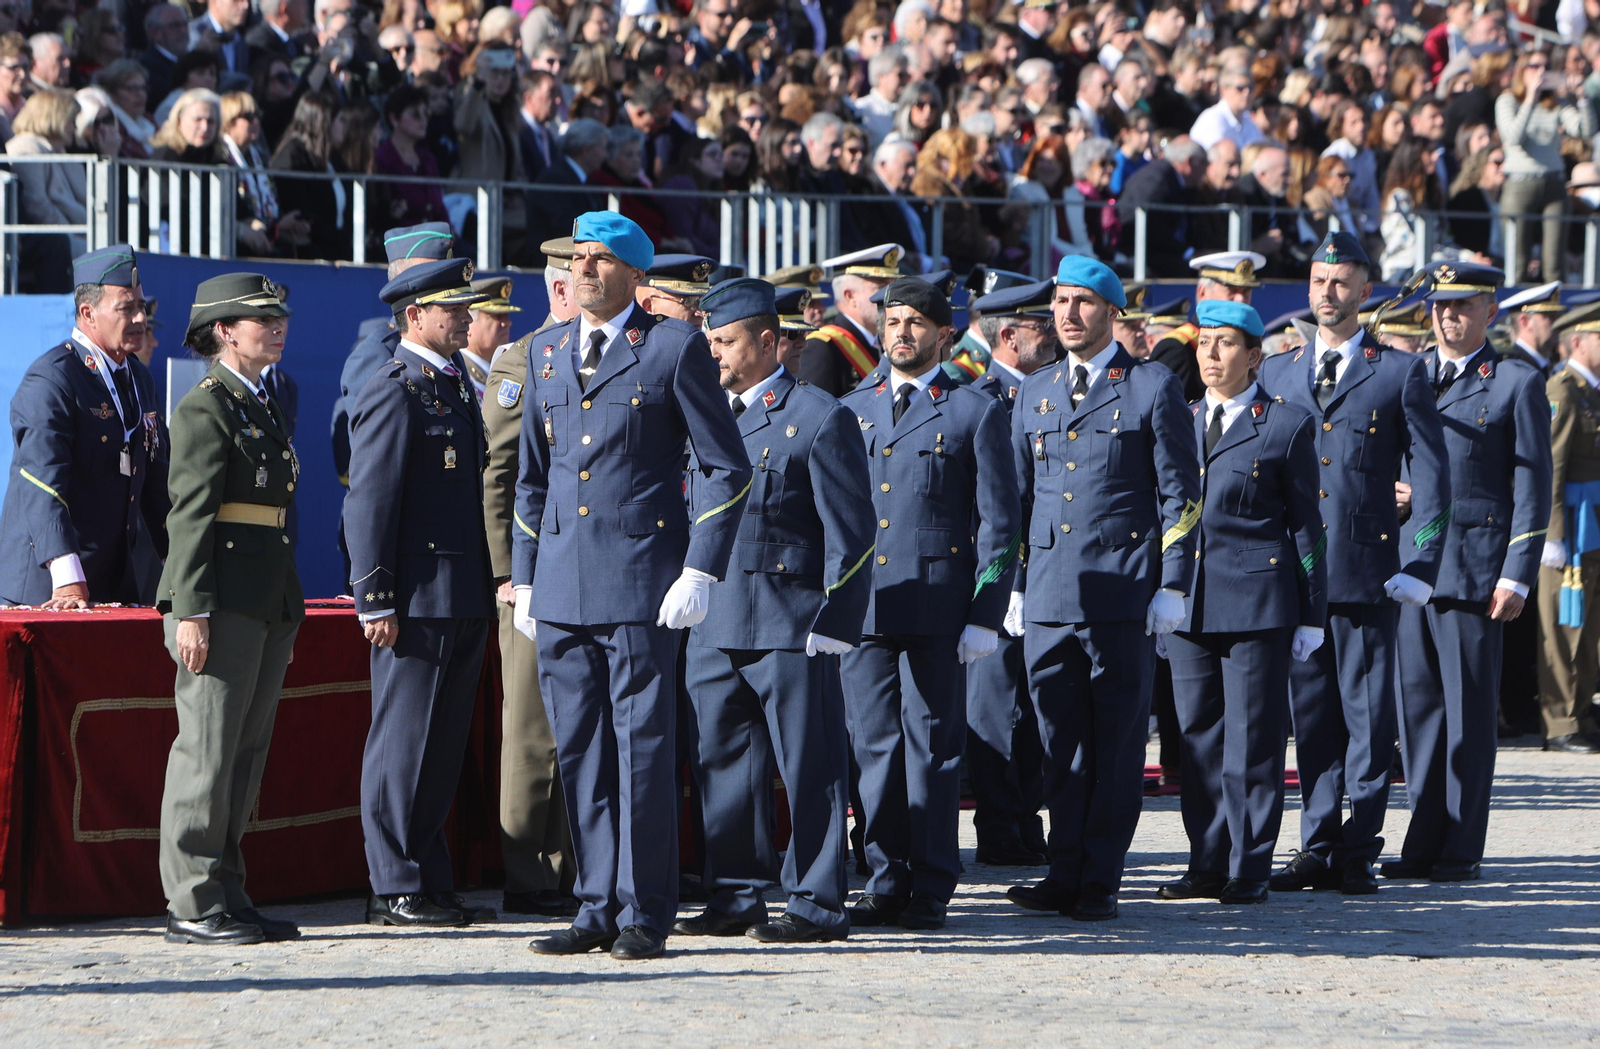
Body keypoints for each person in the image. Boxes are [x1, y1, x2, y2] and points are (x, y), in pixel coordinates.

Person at [511, 212, 751, 961]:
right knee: (578, 750)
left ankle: (646, 908)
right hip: (560, 587)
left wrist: (701, 565)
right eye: (578, 256)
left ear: (634, 276)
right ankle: (594, 901)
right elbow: (530, 480)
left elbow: (725, 464)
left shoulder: (674, 347)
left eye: (601, 259)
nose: (584, 269)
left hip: (644, 583)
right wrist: (523, 580)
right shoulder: (545, 350)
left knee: (642, 750)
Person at [671, 277, 875, 943]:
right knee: (722, 765)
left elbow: (853, 531)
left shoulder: (819, 416)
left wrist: (839, 622)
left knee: (810, 766)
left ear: (769, 341)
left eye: (726, 342)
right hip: (717, 619)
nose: (715, 354)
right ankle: (735, 892)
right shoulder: (706, 414)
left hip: (793, 623)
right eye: (709, 341)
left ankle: (818, 901)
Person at [1004, 255, 1201, 922]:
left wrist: (1174, 583)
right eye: (1061, 301)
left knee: (1116, 746)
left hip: (1122, 594)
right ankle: (1064, 868)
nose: (1068, 313)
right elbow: (1015, 501)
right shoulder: (1036, 391)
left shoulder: (1149, 387)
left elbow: (1181, 495)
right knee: (1058, 740)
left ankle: (1100, 877)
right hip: (1052, 596)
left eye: (1083, 301)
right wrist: (1009, 585)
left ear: (1112, 312)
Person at [1258, 235, 1452, 896]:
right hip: (1297, 577)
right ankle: (1316, 840)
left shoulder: (1398, 371)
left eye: (1340, 282)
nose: (1326, 293)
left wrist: (1422, 558)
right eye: (1317, 280)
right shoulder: (1279, 371)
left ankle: (1358, 845)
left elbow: (1432, 473)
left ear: (1365, 290)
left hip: (1368, 571)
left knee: (1369, 720)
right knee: (1309, 719)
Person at [835, 276, 1021, 931]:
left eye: (915, 322)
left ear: (943, 333)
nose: (901, 333)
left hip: (941, 611)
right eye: (893, 321)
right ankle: (885, 875)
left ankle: (931, 881)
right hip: (868, 609)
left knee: (934, 749)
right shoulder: (853, 407)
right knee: (873, 747)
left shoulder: (973, 410)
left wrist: (984, 612)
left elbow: (1000, 521)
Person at [1157, 299, 1326, 907]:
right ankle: (1207, 859)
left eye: (1225, 343)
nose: (1209, 353)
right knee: (1197, 738)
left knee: (1251, 741)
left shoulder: (1285, 423)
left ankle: (1249, 863)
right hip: (1190, 604)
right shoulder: (1180, 417)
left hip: (1258, 601)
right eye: (1204, 342)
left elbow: (1308, 526)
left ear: (1255, 356)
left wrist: (1312, 612)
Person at [345, 256, 496, 929]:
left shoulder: (454, 382)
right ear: (414, 316)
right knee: (404, 741)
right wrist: (374, 596)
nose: (464, 315)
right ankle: (391, 880)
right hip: (414, 594)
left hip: (461, 590)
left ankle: (427, 874)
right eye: (451, 307)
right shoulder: (394, 386)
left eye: (464, 306)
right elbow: (370, 501)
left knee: (440, 747)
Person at [1387, 262, 1551, 883]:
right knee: (1419, 713)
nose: (1447, 316)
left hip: (1477, 568)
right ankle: (1422, 838)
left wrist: (1518, 573)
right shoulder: (1412, 375)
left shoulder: (1514, 382)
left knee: (1469, 713)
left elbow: (1533, 485)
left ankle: (1461, 844)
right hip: (1411, 566)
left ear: (1490, 310)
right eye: (1438, 307)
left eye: (1462, 305)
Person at [156, 272, 303, 946]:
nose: (275, 327)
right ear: (224, 332)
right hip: (219, 600)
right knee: (208, 752)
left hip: (262, 597)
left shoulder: (259, 402)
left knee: (244, 753)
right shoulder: (206, 407)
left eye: (279, 317)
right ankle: (192, 896)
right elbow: (190, 517)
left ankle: (227, 887)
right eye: (259, 319)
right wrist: (192, 608)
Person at [481, 237, 579, 920]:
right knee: (532, 729)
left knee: (581, 724)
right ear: (562, 290)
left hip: (590, 570)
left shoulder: (609, 353)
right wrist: (508, 572)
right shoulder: (523, 360)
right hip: (534, 572)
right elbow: (501, 475)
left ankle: (574, 864)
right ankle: (527, 871)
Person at [0, 246, 169, 607]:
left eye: (140, 307)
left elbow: (157, 486)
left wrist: (182, 567)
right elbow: (42, 483)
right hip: (50, 591)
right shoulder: (53, 379)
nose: (140, 318)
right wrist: (67, 577)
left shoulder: (140, 378)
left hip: (113, 585)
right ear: (87, 313)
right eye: (127, 308)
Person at [958, 277, 1061, 867]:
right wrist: (1006, 581)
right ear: (1008, 336)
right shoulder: (986, 399)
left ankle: (1024, 818)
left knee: (1030, 709)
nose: (1051, 333)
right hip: (997, 579)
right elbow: (995, 507)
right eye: (1039, 325)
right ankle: (999, 825)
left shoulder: (1042, 393)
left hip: (1041, 576)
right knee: (995, 709)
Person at [1535, 302, 1600, 754]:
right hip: (1571, 526)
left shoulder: (1590, 391)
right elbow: (1552, 467)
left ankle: (1579, 710)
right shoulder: (1563, 388)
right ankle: (1559, 722)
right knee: (1563, 624)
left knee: (1589, 625)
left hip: (1592, 521)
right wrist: (1551, 535)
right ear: (1577, 341)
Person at [1496, 50, 1591, 283]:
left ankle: (1553, 316)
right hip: (1520, 182)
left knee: (1554, 263)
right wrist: (1530, 97)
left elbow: (1584, 130)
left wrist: (1581, 98)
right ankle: (1513, 317)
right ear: (1521, 70)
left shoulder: (1556, 103)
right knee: (1517, 261)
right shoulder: (1507, 100)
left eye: (1545, 67)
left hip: (1554, 182)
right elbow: (1513, 137)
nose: (1541, 72)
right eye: (1534, 66)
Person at [1147, 251, 1267, 403]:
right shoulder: (1177, 348)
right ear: (1202, 292)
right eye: (1231, 290)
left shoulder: (1249, 342)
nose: (1240, 299)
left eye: (1246, 292)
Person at [4, 89, 87, 288]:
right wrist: (71, 237)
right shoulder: (26, 147)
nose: (75, 127)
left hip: (75, 233)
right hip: (57, 235)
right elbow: (37, 204)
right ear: (54, 117)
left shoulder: (60, 151)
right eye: (71, 119)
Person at [800, 244, 902, 395]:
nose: (891, 298)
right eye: (881, 289)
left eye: (892, 288)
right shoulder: (822, 347)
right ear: (850, 296)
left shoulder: (882, 343)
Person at [374, 83, 450, 232]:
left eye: (425, 113)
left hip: (436, 240)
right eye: (415, 114)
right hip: (402, 244)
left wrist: (449, 234)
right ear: (394, 118)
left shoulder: (428, 159)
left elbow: (439, 208)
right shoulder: (381, 158)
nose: (423, 120)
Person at [461, 277, 520, 397]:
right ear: (469, 323)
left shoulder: (503, 370)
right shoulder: (460, 372)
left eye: (506, 315)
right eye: (497, 316)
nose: (507, 323)